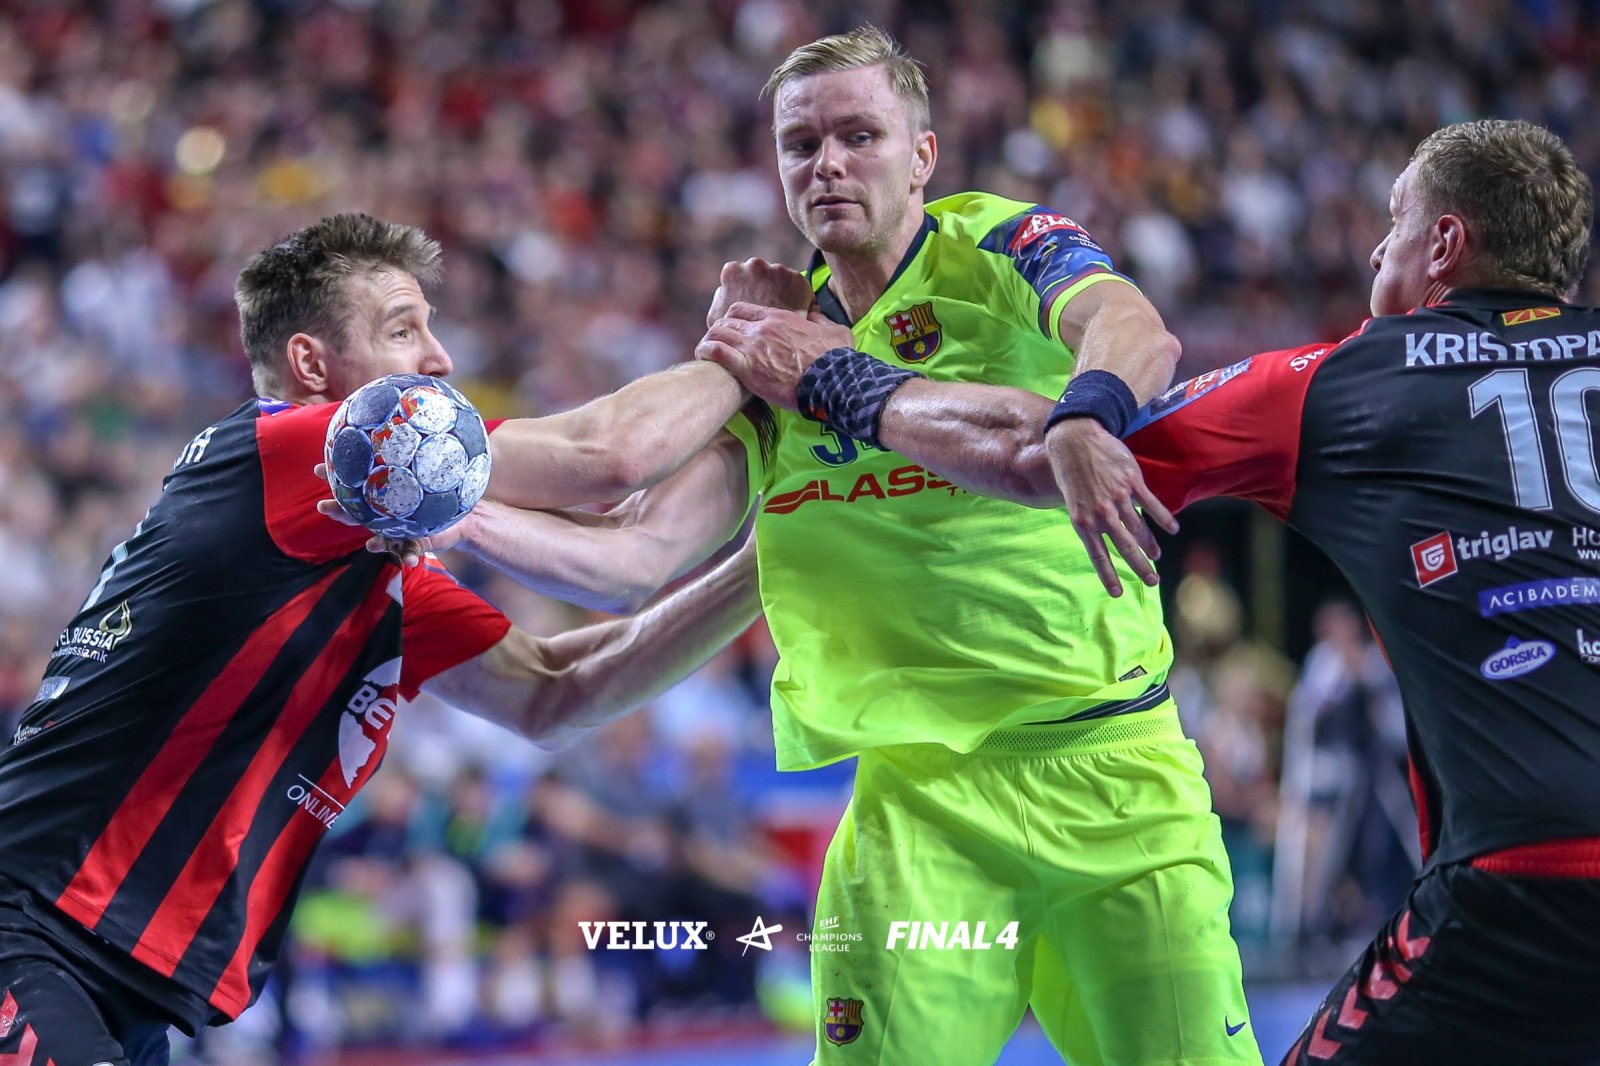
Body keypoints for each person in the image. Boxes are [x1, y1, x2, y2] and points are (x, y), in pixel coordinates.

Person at [712, 117, 1600, 1064]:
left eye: (1397, 221)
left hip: (1521, 873)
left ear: (1446, 244)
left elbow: (1061, 456)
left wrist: (834, 378)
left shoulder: (1342, 383)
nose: (1378, 249)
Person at [469, 24, 1261, 1065]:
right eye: (801, 145)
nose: (828, 165)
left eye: (858, 136)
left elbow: (1134, 330)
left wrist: (1087, 412)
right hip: (914, 812)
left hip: (1115, 770)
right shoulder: (772, 342)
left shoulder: (998, 246)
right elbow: (634, 554)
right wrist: (445, 509)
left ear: (922, 155)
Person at [0, 213, 759, 1064]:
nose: (440, 358)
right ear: (312, 366)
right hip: (32, 925)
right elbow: (608, 456)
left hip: (124, 982)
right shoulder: (287, 449)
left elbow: (564, 679)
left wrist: (774, 559)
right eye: (403, 331)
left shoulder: (374, 572)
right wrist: (756, 340)